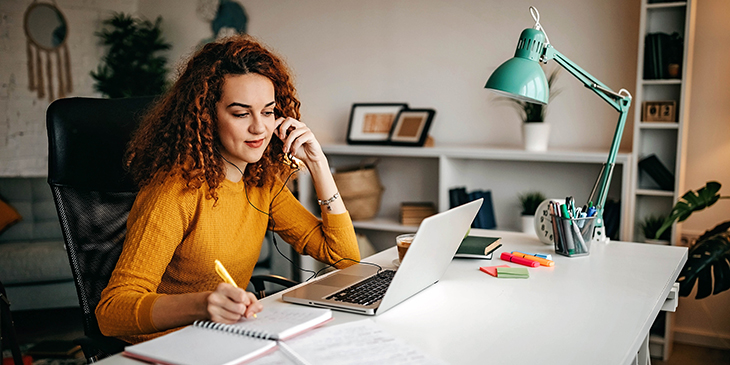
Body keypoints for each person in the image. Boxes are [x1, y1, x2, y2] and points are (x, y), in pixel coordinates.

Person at [95, 35, 360, 344]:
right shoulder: (173, 192)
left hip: (225, 338)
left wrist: (319, 165)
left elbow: (345, 257)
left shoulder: (263, 181)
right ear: (206, 116)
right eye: (241, 113)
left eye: (269, 111)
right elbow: (111, 312)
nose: (259, 128)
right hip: (168, 346)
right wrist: (202, 305)